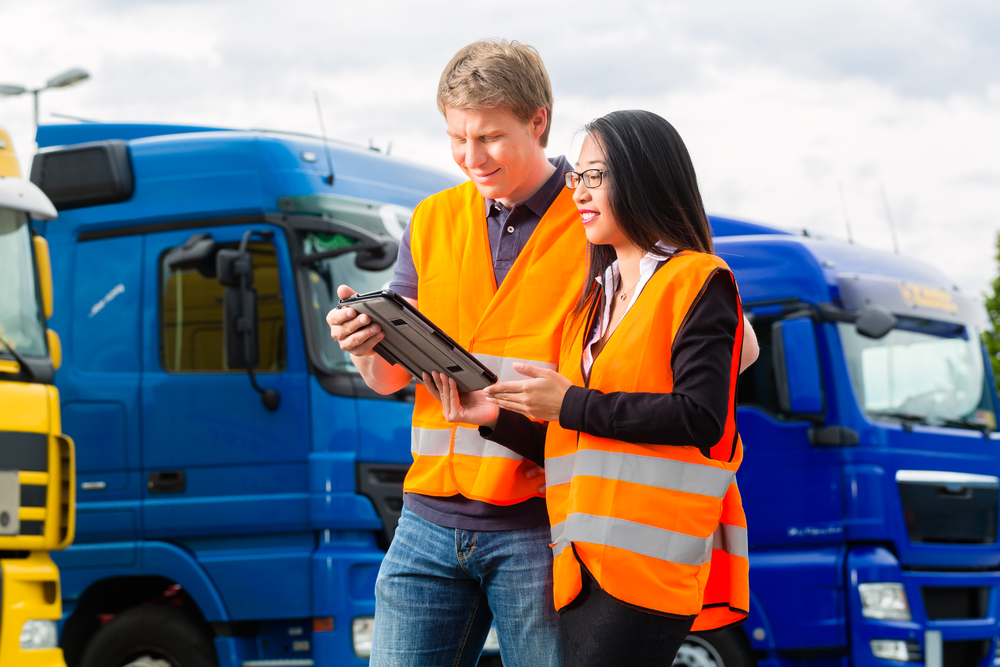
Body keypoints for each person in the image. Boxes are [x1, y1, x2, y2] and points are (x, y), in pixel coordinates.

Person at [426, 109, 750, 666]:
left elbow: (701, 418)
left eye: (596, 176)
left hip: (647, 569)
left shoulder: (699, 280)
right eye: (577, 175)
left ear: (644, 177)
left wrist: (569, 403)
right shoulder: (594, 303)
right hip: (581, 564)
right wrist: (491, 417)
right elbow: (573, 444)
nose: (578, 190)